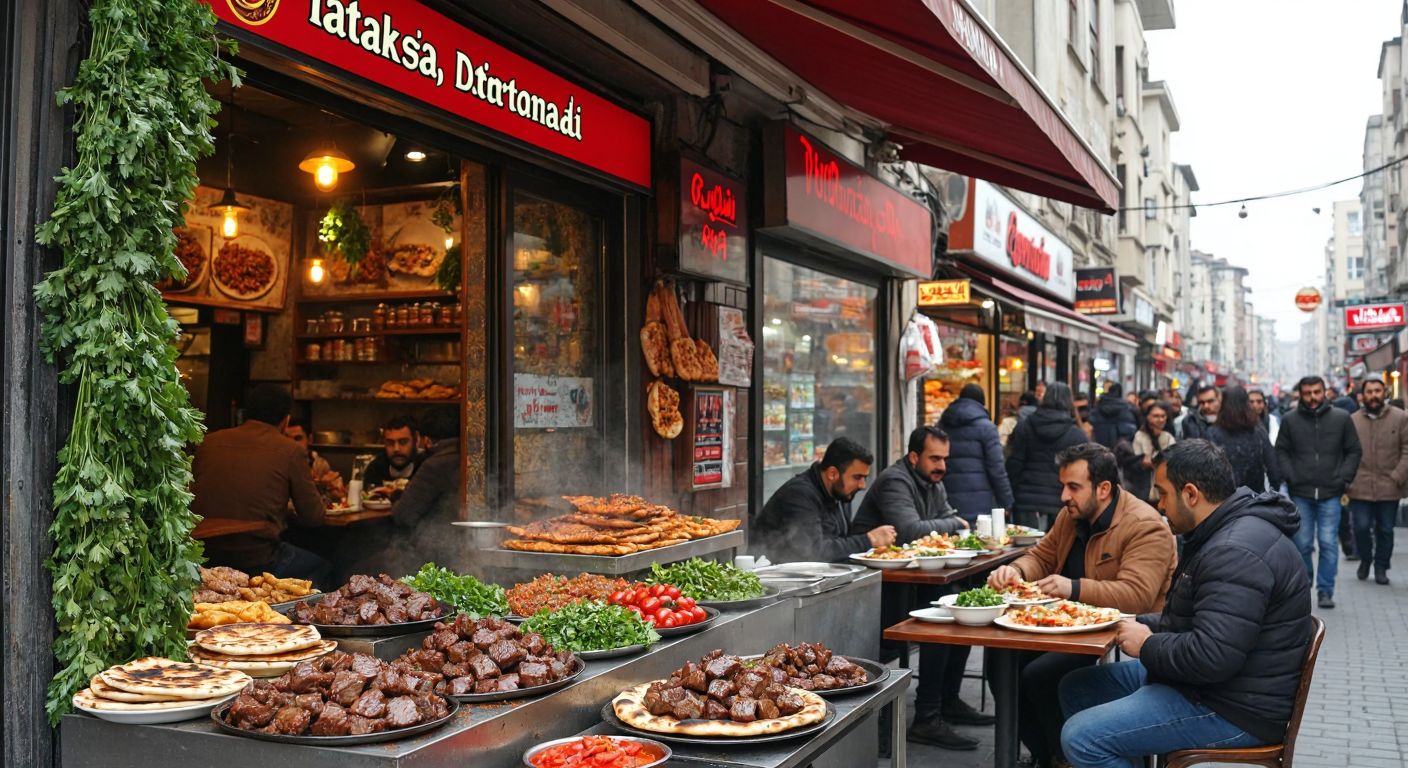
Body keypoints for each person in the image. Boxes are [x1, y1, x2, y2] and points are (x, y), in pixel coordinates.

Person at [1059, 440, 1312, 768]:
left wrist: (1148, 644)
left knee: (1081, 737)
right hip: (1211, 685)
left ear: (1191, 493)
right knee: (1077, 686)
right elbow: (1198, 618)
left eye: (1163, 493)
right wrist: (1136, 622)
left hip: (1231, 707)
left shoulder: (1235, 551)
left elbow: (1212, 656)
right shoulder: (1221, 530)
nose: (1158, 503)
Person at [988, 443, 1177, 768]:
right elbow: (1042, 556)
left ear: (1103, 488)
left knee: (1040, 675)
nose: (1063, 496)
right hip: (1063, 622)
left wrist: (1072, 588)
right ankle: (1045, 752)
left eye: (1073, 487)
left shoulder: (1145, 524)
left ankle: (1065, 756)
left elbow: (1137, 595)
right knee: (999, 659)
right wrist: (1016, 570)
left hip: (1116, 629)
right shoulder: (1071, 514)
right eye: (1063, 486)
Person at [852, 427, 987, 750]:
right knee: (941, 615)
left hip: (910, 581)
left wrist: (950, 523)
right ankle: (927, 716)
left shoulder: (932, 482)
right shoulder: (895, 480)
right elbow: (912, 531)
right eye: (935, 458)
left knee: (960, 605)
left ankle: (946, 701)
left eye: (945, 458)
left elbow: (943, 518)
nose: (942, 466)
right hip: (872, 588)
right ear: (914, 457)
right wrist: (955, 525)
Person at [191, 384, 331, 586]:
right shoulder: (290, 450)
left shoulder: (208, 442)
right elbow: (313, 517)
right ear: (286, 421)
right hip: (257, 558)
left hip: (205, 553)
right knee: (322, 567)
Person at [1275, 375, 1362, 609]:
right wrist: (1291, 476)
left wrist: (1343, 477)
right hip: (1301, 492)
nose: (1312, 397)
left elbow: (1354, 450)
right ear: (1300, 394)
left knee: (1328, 543)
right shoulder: (1290, 420)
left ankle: (1325, 590)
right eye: (1307, 393)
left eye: (1316, 392)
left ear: (1324, 392)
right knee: (1302, 544)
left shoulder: (1341, 418)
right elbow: (1281, 451)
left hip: (1331, 492)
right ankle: (1303, 586)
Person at [753, 437, 891, 564]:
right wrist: (869, 539)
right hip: (779, 580)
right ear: (832, 474)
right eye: (857, 477)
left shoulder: (840, 494)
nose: (862, 485)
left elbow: (841, 542)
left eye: (865, 478)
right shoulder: (799, 495)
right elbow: (813, 552)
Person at [385, 406, 463, 575]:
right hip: (458, 547)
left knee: (362, 566)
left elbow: (403, 515)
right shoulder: (465, 456)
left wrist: (396, 496)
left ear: (425, 439)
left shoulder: (435, 464)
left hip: (434, 553)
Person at [1347, 375, 1408, 585]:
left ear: (1385, 393)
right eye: (1370, 392)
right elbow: (1345, 451)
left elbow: (1407, 449)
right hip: (1360, 485)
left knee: (1386, 529)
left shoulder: (1400, 418)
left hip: (1389, 485)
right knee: (1361, 527)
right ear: (1363, 395)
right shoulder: (1353, 420)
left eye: (1377, 391)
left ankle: (1381, 567)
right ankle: (1365, 559)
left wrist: (1398, 475)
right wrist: (1348, 479)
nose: (1374, 396)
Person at [1006, 383, 1091, 529]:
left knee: (1026, 550)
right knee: (1056, 549)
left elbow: (1015, 464)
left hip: (1026, 500)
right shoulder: (1076, 435)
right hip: (1060, 501)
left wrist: (1008, 498)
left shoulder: (1024, 427)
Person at [939, 384, 1015, 524]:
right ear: (982, 403)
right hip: (980, 503)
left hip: (947, 499)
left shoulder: (942, 424)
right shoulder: (987, 428)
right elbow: (997, 469)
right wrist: (1006, 501)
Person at [1206, 386, 1281, 494]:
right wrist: (1273, 494)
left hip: (1225, 501)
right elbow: (1272, 466)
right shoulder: (1258, 431)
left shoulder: (1212, 433)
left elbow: (1209, 470)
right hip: (1254, 497)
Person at [1123, 401, 1175, 502]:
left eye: (1163, 416)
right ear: (1148, 417)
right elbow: (1134, 463)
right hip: (1142, 489)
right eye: (1156, 416)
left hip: (1163, 491)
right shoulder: (1139, 436)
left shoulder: (1168, 437)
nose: (1160, 420)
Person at [363, 415, 424, 489]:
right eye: (390, 443)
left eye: (403, 442)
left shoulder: (427, 467)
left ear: (417, 440)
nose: (396, 449)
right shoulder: (376, 468)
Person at [1087, 382, 1138, 449]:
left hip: (1099, 448)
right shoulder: (1127, 409)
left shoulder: (1098, 408)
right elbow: (1131, 430)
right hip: (1121, 451)